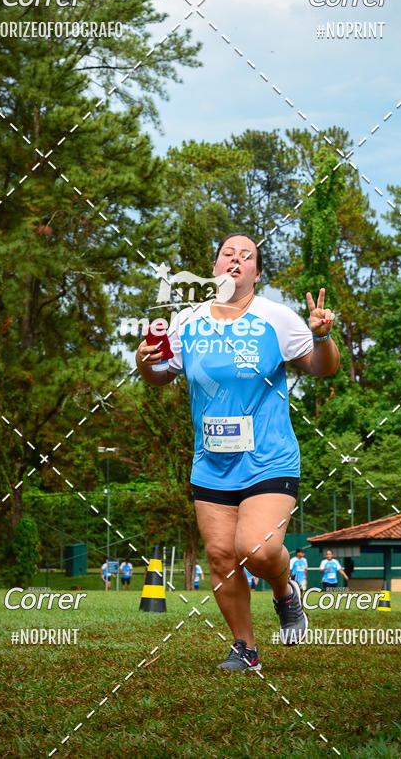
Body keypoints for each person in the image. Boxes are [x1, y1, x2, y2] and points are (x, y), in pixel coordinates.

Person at [136, 232, 340, 671]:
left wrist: (322, 337)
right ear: (214, 268)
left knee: (257, 549)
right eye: (228, 253)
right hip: (211, 462)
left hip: (269, 457)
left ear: (256, 273)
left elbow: (323, 369)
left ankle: (286, 592)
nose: (236, 260)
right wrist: (143, 363)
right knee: (221, 558)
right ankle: (245, 649)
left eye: (246, 256)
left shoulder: (275, 318)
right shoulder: (186, 321)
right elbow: (160, 374)